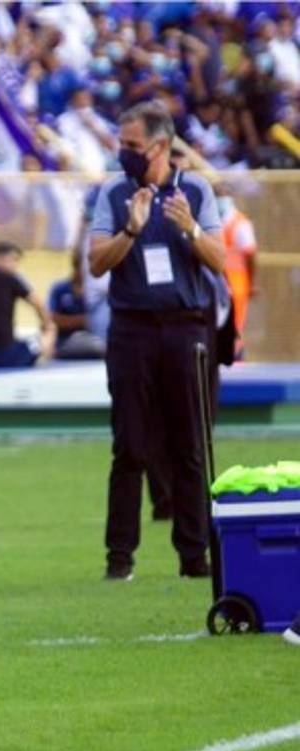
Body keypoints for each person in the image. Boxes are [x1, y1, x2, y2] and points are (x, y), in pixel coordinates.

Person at [89, 100, 225, 581]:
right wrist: (132, 228)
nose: (123, 153)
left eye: (132, 146)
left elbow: (219, 259)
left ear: (161, 146)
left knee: (190, 444)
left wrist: (188, 228)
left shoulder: (197, 191)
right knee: (130, 443)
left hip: (186, 325)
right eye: (121, 144)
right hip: (132, 328)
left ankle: (195, 556)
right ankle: (119, 558)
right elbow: (97, 262)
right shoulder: (113, 192)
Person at [217, 186, 256, 350]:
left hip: (235, 282)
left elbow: (250, 254)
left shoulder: (240, 223)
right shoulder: (213, 220)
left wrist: (251, 282)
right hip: (220, 282)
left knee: (234, 325)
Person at [49, 250, 106, 360]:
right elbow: (53, 319)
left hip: (96, 341)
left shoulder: (100, 291)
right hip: (66, 341)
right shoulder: (60, 289)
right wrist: (86, 321)